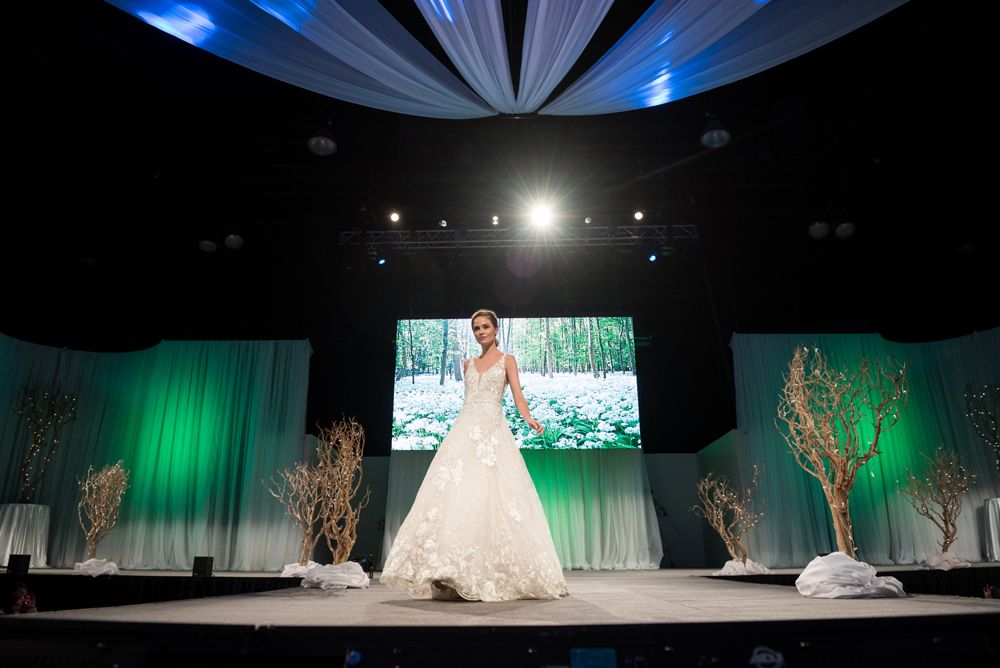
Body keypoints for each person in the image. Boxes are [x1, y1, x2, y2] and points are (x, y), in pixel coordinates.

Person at [380, 308, 569, 601]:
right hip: (464, 431)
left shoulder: (508, 360)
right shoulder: (467, 363)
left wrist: (528, 417)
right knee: (455, 494)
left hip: (493, 433)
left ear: (495, 329)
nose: (480, 332)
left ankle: (488, 572)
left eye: (485, 327)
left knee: (492, 497)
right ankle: (451, 569)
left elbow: (517, 394)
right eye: (476, 328)